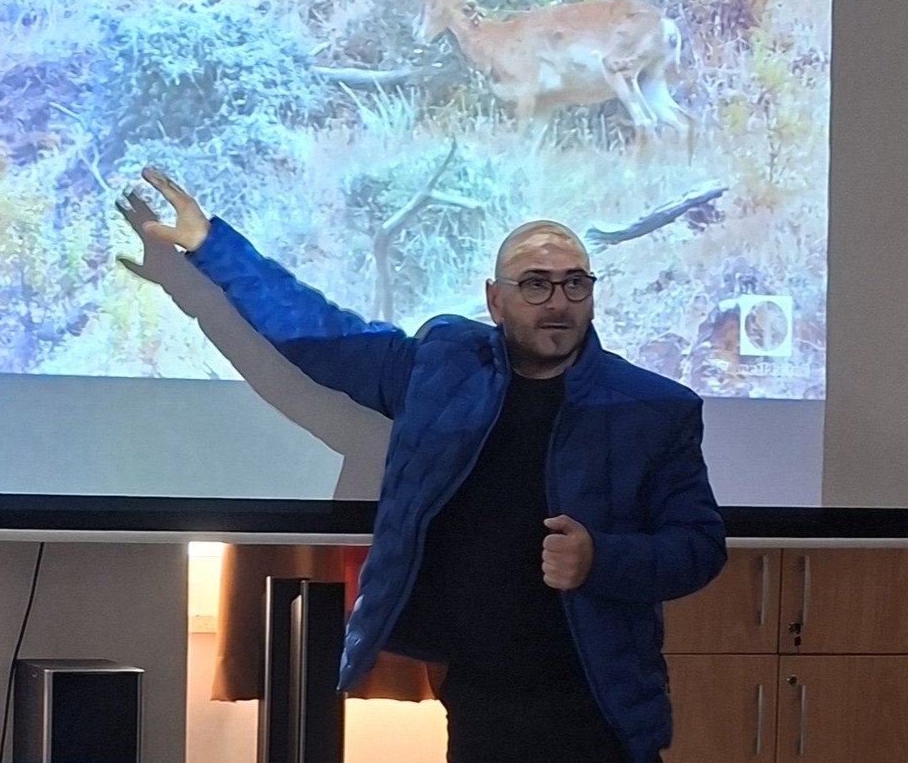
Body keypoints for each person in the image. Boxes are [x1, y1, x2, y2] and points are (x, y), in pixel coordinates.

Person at [117, 167, 726, 763]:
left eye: (575, 284)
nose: (558, 303)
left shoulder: (653, 408)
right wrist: (212, 247)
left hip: (603, 707)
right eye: (535, 285)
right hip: (479, 699)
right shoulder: (441, 372)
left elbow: (698, 547)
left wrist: (600, 560)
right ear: (495, 300)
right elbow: (320, 333)